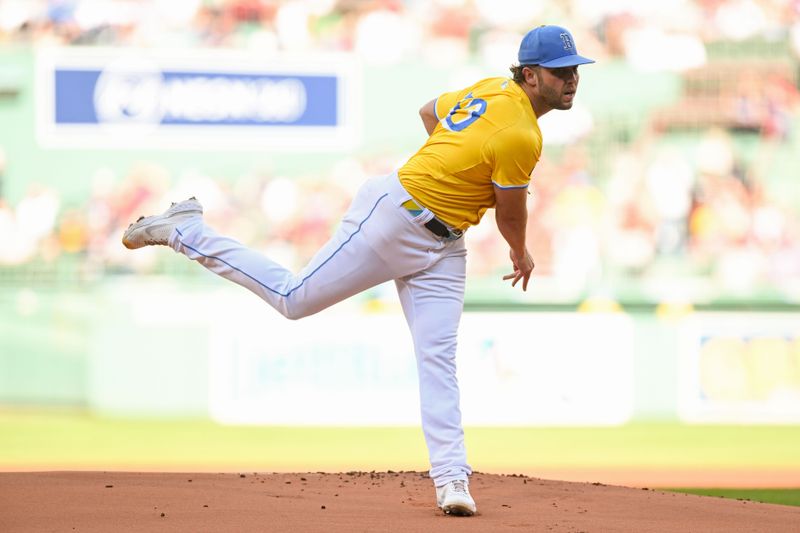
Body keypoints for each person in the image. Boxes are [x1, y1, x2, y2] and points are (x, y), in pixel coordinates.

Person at [122, 24, 593, 516]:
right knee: (294, 299)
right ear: (531, 75)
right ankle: (185, 230)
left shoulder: (490, 88)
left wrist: (453, 162)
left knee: (438, 359)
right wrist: (519, 251)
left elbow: (430, 112)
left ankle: (452, 479)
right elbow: (510, 212)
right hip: (393, 218)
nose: (572, 80)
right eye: (561, 72)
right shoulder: (521, 132)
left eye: (576, 70)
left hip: (445, 244)